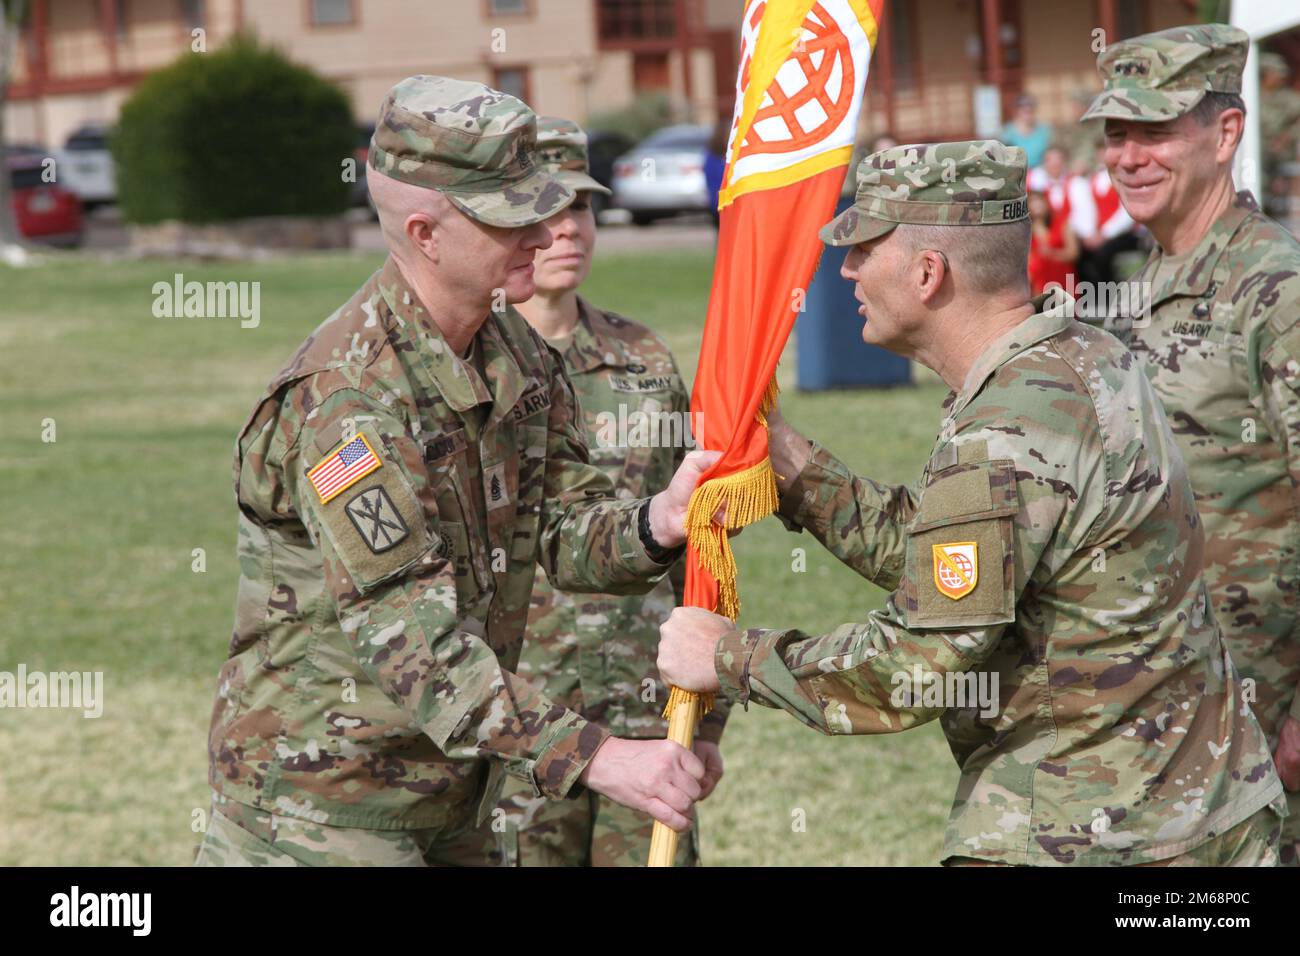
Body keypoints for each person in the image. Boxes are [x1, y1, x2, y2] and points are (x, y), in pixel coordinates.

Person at [658, 139, 1286, 866]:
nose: (847, 270)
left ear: (929, 273)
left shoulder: (1012, 426)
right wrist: (796, 471)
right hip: (1192, 808)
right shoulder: (1078, 355)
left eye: (863, 249)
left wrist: (728, 654)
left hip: (1097, 834)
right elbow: (962, 567)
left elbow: (914, 664)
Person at [194, 77, 717, 867]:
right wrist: (604, 758)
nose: (542, 236)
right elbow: (418, 650)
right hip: (323, 814)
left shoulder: (516, 354)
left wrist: (658, 521)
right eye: (512, 218)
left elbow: (563, 531)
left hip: (458, 798)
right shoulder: (349, 400)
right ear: (424, 232)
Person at [1083, 22, 1300, 866]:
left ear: (1225, 132)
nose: (1130, 156)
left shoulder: (1273, 287)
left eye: (1155, 131)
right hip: (1163, 704)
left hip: (1263, 711)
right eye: (1116, 134)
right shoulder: (1149, 280)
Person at [484, 116, 727, 866]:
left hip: (645, 709)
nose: (567, 230)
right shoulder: (470, 369)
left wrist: (708, 721)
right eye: (545, 212)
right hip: (521, 721)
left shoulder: (643, 356)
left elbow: (701, 539)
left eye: (581, 208)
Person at [1026, 189, 1076, 294]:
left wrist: (1052, 253)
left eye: (1039, 200)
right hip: (1039, 283)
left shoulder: (1062, 223)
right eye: (1032, 202)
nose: (1037, 205)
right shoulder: (1026, 231)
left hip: (1062, 277)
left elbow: (1073, 253)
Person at [999, 94, 1051, 168]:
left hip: (1039, 172)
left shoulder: (1044, 130)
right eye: (1025, 111)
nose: (1028, 115)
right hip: (1016, 171)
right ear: (1017, 112)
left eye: (1031, 111)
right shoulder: (1007, 132)